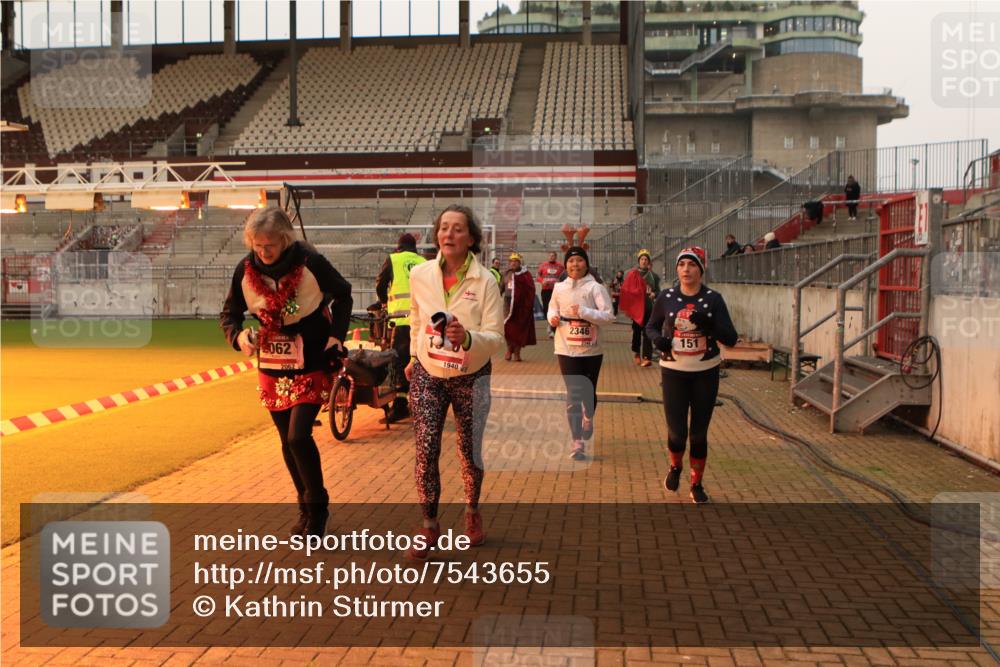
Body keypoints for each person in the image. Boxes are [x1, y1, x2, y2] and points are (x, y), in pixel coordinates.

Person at [220, 207, 353, 536]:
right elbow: (230, 312)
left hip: (311, 357)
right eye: (257, 245)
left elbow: (344, 294)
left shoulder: (311, 264)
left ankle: (318, 507)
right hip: (272, 361)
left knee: (298, 436)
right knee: (286, 440)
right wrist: (238, 336)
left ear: (285, 239)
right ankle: (304, 506)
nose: (263, 252)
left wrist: (336, 336)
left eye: (270, 245)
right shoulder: (245, 269)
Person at [404, 204, 504, 560]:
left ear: (471, 238)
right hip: (429, 374)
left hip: (471, 376)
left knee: (468, 451)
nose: (449, 234)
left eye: (458, 228)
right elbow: (416, 317)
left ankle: (472, 509)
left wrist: (468, 339)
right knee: (426, 448)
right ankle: (429, 526)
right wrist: (415, 356)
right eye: (444, 227)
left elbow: (497, 337)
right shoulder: (420, 275)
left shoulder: (486, 281)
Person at [645, 247, 737, 504]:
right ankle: (675, 467)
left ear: (701, 269)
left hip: (705, 373)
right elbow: (650, 326)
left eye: (692, 265)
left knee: (698, 434)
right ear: (677, 270)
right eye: (682, 265)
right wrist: (658, 341)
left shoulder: (714, 299)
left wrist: (708, 324)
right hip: (674, 371)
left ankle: (697, 484)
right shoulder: (667, 297)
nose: (686, 269)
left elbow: (731, 338)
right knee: (677, 434)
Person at [547, 247, 615, 460]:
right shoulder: (559, 288)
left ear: (586, 264)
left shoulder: (595, 288)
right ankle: (577, 443)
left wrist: (584, 312)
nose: (574, 265)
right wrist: (553, 318)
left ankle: (588, 416)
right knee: (573, 394)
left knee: (588, 392)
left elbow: (608, 316)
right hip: (565, 347)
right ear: (565, 265)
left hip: (591, 349)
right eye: (571, 261)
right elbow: (551, 308)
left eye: (579, 261)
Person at [375, 233, 427, 423]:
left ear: (399, 247)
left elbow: (380, 285)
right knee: (420, 362)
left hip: (400, 320)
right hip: (421, 321)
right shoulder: (423, 261)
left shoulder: (393, 259)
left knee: (399, 363)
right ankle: (420, 402)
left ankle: (400, 406)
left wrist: (383, 303)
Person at [619, 249, 660, 367]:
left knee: (648, 332)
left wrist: (654, 294)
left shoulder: (654, 276)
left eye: (646, 259)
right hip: (637, 309)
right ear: (639, 261)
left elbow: (658, 290)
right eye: (642, 259)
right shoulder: (632, 274)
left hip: (649, 308)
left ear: (649, 262)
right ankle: (637, 353)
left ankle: (647, 357)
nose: (644, 261)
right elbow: (626, 290)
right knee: (636, 332)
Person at [503, 252, 537, 362]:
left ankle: (517, 353)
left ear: (519, 262)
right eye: (511, 261)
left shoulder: (525, 274)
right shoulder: (506, 274)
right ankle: (509, 349)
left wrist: (528, 304)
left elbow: (531, 289)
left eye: (515, 261)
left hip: (521, 307)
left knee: (518, 330)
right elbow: (499, 288)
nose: (513, 263)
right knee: (508, 328)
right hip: (507, 305)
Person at [537, 251, 564, 338]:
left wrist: (560, 282)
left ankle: (552, 328)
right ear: (548, 256)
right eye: (550, 256)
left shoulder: (560, 266)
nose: (552, 257)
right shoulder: (543, 265)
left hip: (556, 291)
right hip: (546, 290)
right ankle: (550, 324)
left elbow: (564, 277)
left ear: (556, 257)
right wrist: (542, 281)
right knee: (546, 308)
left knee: (556, 308)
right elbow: (538, 276)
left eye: (553, 256)